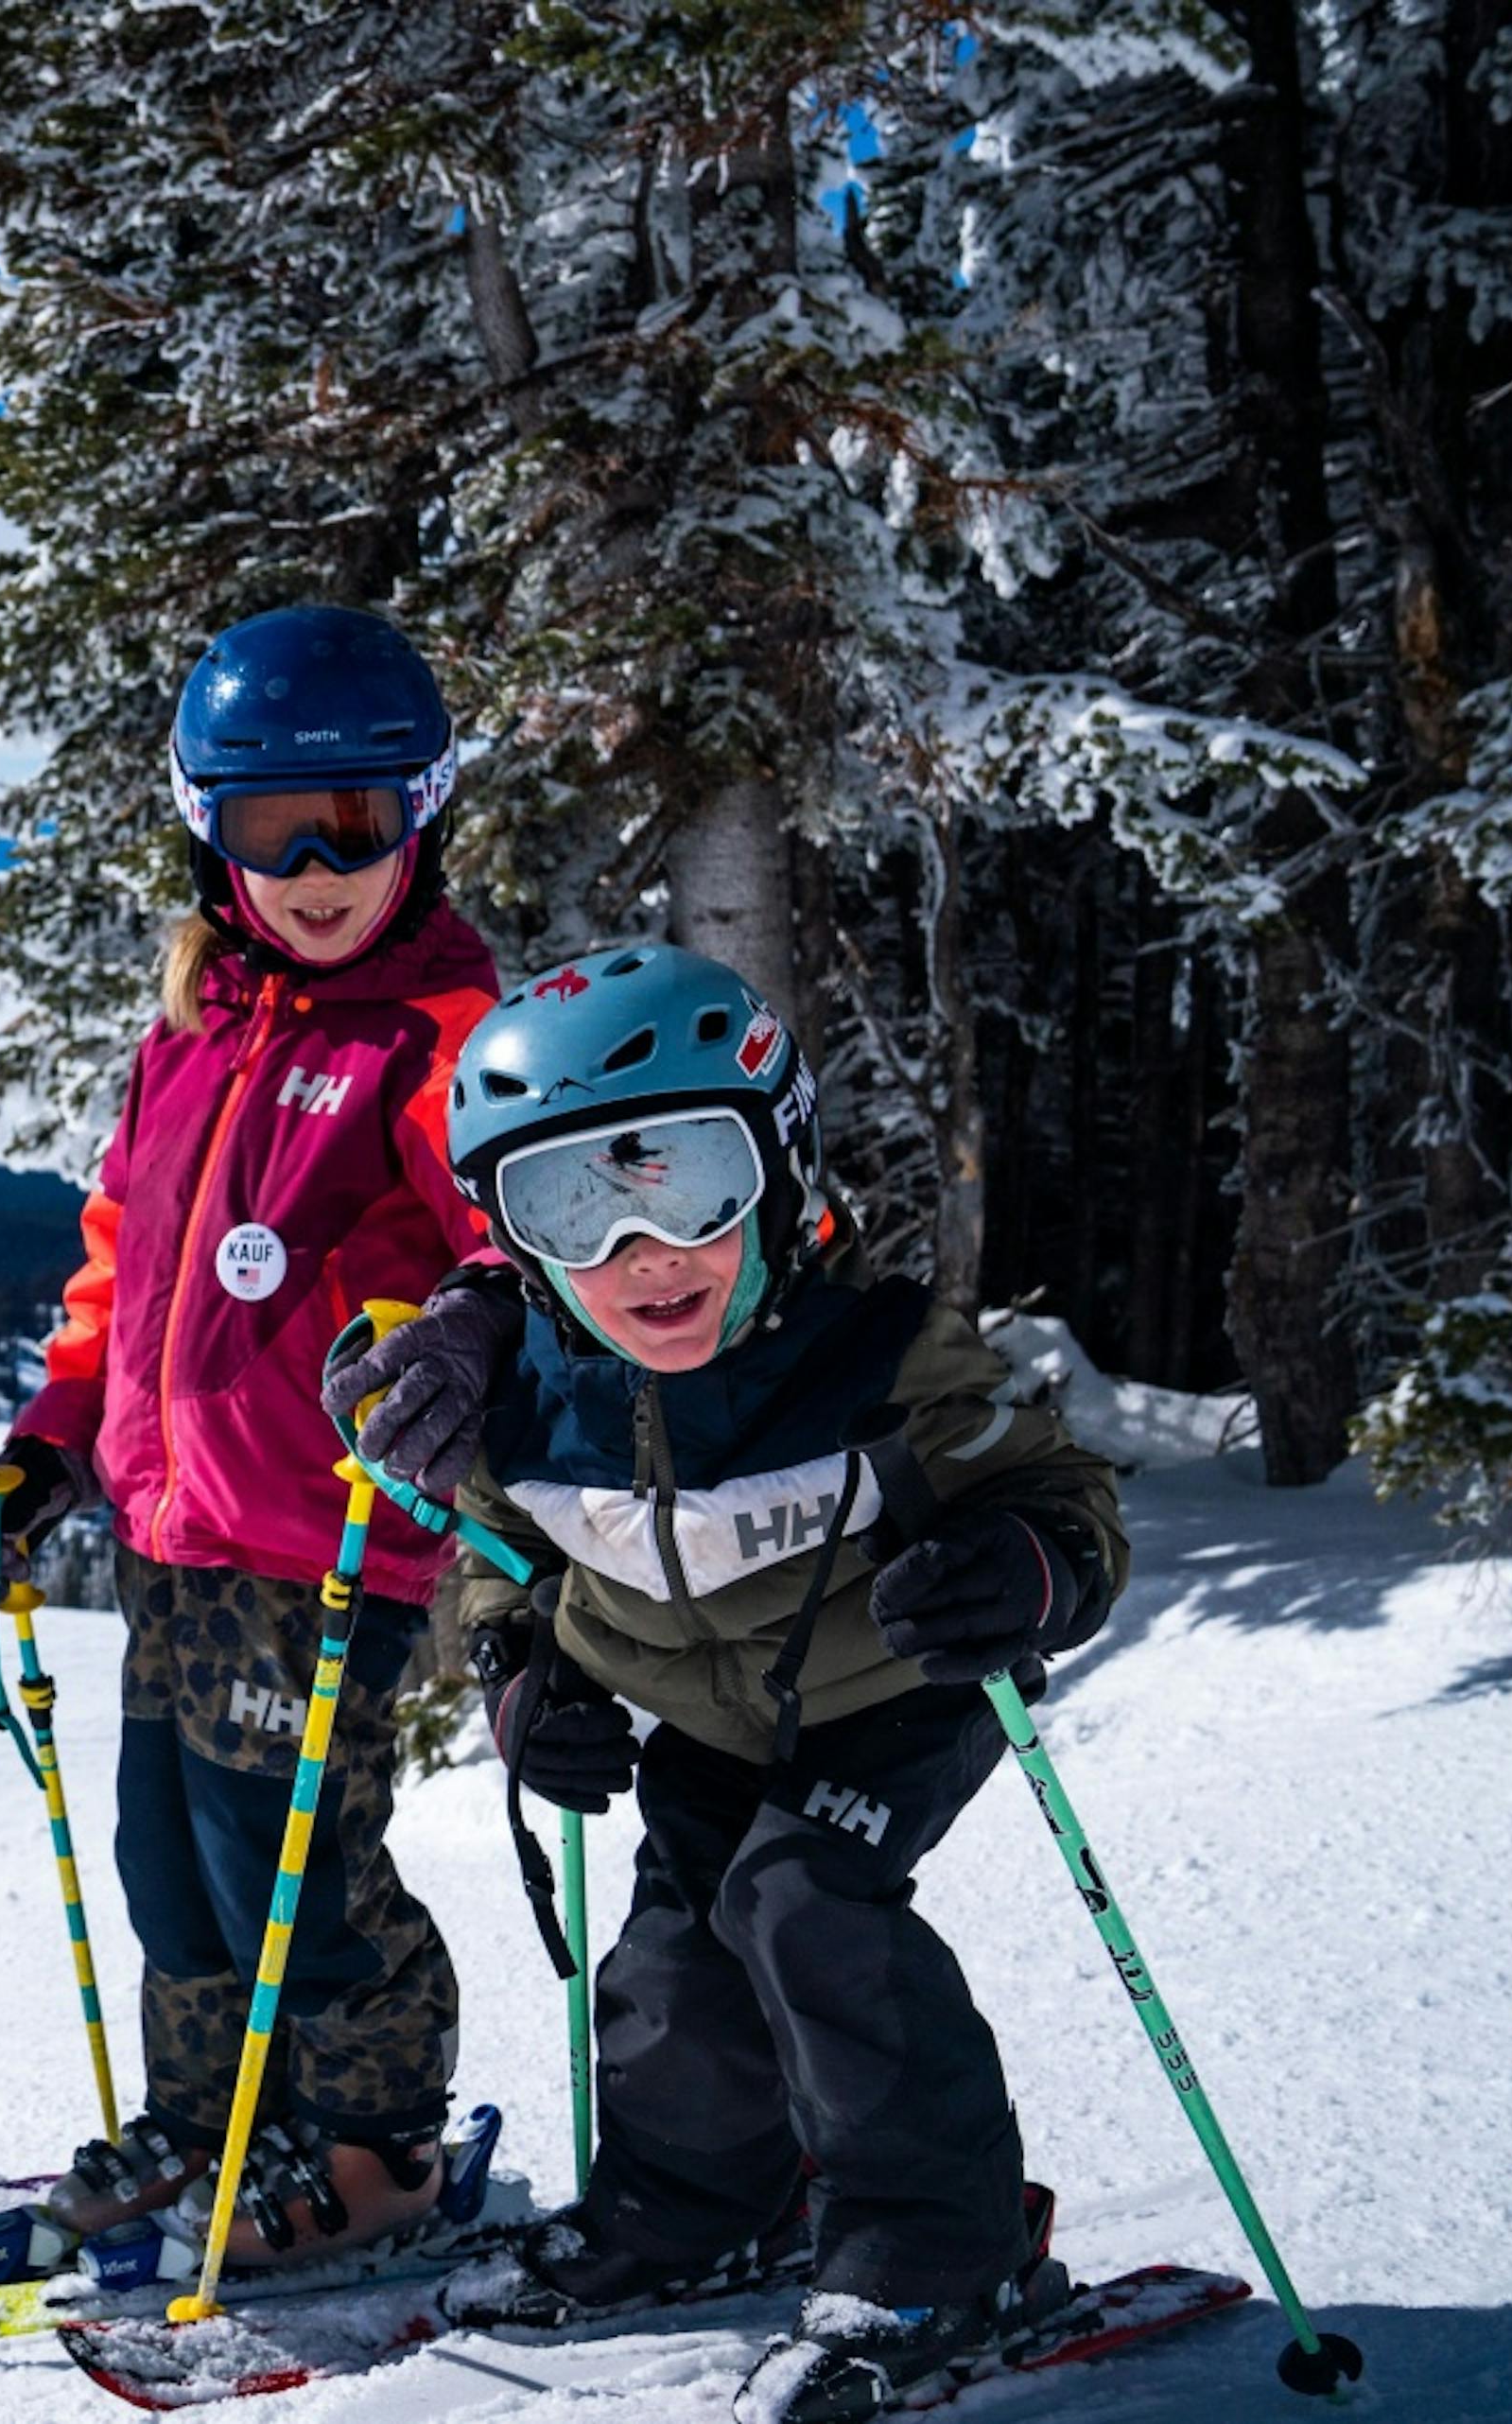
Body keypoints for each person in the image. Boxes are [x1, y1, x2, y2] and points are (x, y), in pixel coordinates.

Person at [365, 943, 1125, 2424]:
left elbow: (1062, 1492)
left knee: (803, 1904)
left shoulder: (877, 1362)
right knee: (671, 1962)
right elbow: (497, 1561)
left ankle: (944, 2250)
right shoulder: (529, 1399)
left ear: (778, 1169)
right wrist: (526, 1675)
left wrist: (1027, 1568)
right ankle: (692, 2205)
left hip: (900, 1691)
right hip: (707, 1724)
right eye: (573, 1206)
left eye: (689, 1184)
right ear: (515, 1244)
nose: (646, 1252)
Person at [0, 604, 515, 2272]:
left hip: (330, 1533)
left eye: (361, 822)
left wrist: (466, 1339)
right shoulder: (195, 1032)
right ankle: (217, 2123)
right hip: (172, 1526)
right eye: (276, 828)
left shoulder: (445, 1035)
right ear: (213, 829)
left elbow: (507, 1245)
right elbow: (121, 1262)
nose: (320, 865)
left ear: (426, 811)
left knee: (294, 1869)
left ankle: (375, 2146)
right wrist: (58, 1438)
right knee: (172, 1863)